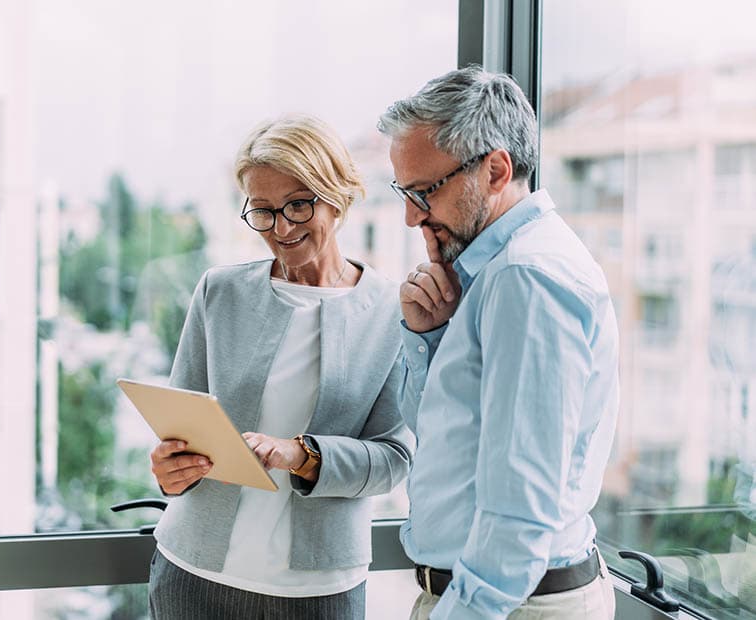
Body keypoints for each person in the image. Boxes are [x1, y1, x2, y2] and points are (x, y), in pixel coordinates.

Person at [147, 114, 412, 619]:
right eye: (263, 211)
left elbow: (394, 459)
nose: (282, 227)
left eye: (297, 204)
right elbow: (179, 426)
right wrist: (168, 469)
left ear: (337, 196)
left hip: (319, 591)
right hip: (193, 573)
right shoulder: (219, 292)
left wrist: (302, 455)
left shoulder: (391, 312)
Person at [377, 66, 620, 619]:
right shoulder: (492, 275)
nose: (412, 215)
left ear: (495, 169)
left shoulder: (526, 278)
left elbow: (522, 509)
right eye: (403, 192)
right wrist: (428, 336)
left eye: (424, 192)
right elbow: (445, 432)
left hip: (508, 606)